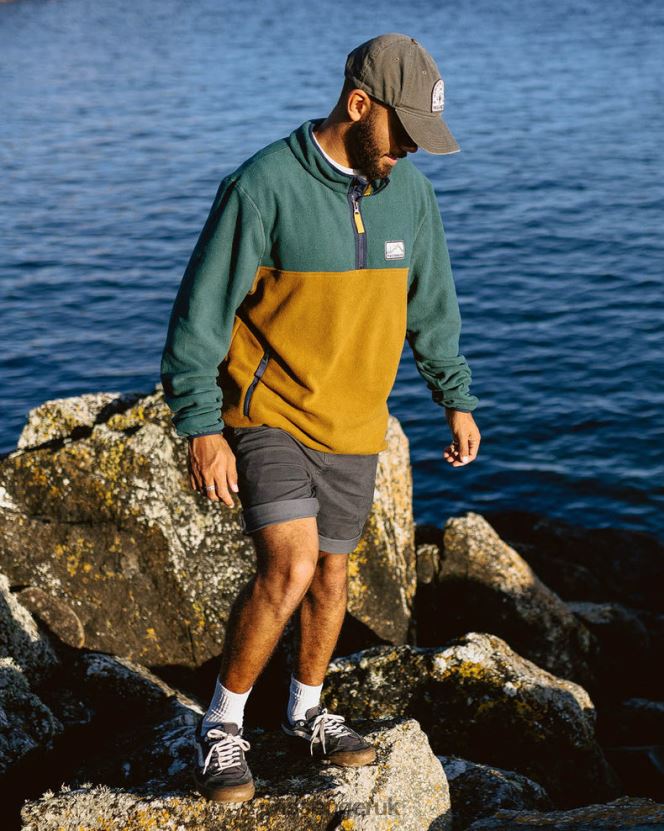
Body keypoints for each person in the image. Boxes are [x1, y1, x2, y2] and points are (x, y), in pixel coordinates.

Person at [160, 32, 481, 803]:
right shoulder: (262, 186)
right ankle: (222, 725)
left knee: (333, 573)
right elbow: (200, 315)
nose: (410, 150)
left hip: (355, 421)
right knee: (292, 564)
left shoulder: (411, 196)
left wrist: (456, 397)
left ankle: (305, 710)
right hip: (269, 412)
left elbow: (432, 309)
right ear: (358, 104)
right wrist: (201, 427)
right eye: (403, 131)